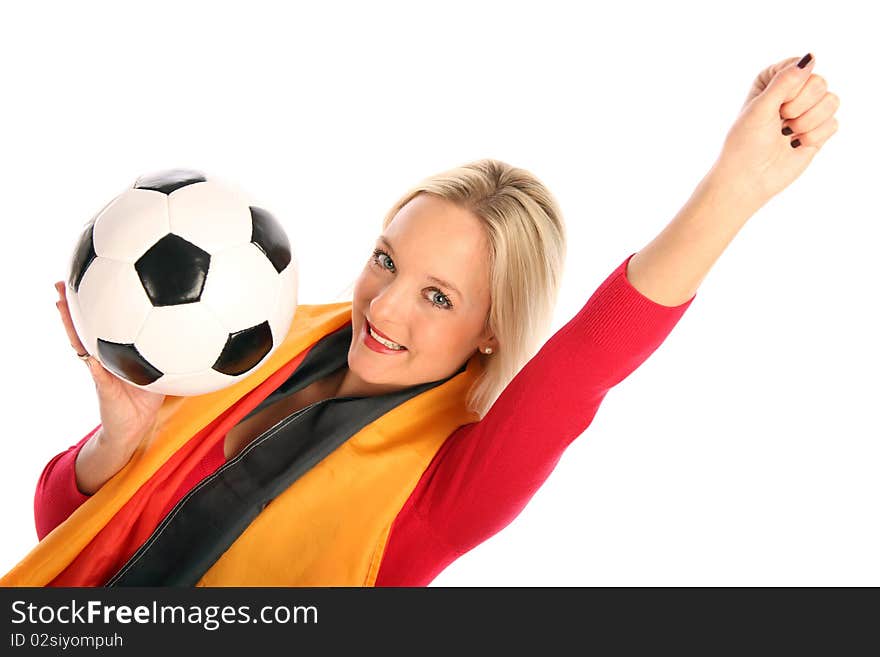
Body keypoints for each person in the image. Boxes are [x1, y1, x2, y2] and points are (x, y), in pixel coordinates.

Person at [4, 52, 839, 587]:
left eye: (439, 296)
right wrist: (120, 436)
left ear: (491, 329)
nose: (386, 305)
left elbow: (588, 360)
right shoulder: (260, 331)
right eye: (387, 260)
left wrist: (738, 182)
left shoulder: (445, 488)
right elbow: (68, 543)